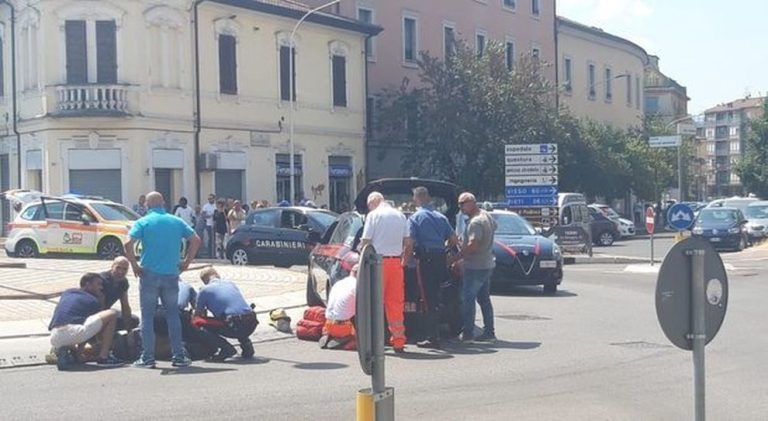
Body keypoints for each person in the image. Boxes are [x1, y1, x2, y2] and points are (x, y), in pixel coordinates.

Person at [124, 191, 202, 369]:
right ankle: (178, 355)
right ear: (164, 203)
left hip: (149, 274)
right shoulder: (176, 221)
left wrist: (135, 266)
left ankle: (148, 357)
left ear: (146, 205)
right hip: (171, 274)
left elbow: (127, 243)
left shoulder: (143, 222)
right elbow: (195, 240)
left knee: (148, 317)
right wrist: (186, 262)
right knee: (172, 315)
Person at [409, 187, 459, 348]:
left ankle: (432, 337)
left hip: (426, 260)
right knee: (439, 295)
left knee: (428, 297)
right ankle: (443, 330)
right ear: (428, 198)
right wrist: (444, 249)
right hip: (441, 260)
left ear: (417, 199)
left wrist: (406, 259)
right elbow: (453, 239)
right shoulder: (441, 217)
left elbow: (409, 242)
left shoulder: (415, 218)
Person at [359, 192, 410, 353]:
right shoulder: (401, 216)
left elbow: (366, 242)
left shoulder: (373, 215)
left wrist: (359, 259)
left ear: (373, 202)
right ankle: (398, 342)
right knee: (395, 303)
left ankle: (375, 342)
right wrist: (404, 260)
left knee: (374, 302)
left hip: (377, 263)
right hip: (396, 263)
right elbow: (408, 242)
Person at [49, 273, 124, 370]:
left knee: (78, 328)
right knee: (112, 314)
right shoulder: (92, 301)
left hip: (54, 336)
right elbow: (93, 327)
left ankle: (66, 350)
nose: (101, 288)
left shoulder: (67, 292)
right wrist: (101, 301)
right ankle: (104, 357)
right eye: (98, 284)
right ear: (87, 284)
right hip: (73, 331)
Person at [450, 192, 497, 343]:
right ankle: (489, 332)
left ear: (471, 202)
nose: (460, 207)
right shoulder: (486, 215)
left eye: (462, 203)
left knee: (467, 299)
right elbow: (494, 228)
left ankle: (468, 334)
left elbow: (473, 245)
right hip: (487, 263)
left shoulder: (476, 222)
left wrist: (455, 258)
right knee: (484, 299)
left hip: (475, 266)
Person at [192, 267, 258, 361]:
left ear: (204, 280)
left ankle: (226, 348)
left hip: (234, 326)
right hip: (251, 322)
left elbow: (197, 315)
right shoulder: (230, 284)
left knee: (197, 323)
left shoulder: (204, 290)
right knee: (236, 314)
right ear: (217, 275)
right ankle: (247, 345)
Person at [321, 263, 358, 350]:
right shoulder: (357, 285)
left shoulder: (339, 283)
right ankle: (347, 339)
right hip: (344, 326)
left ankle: (330, 335)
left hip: (327, 324)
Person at [99, 256, 138, 331]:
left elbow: (125, 305)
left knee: (134, 320)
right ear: (112, 266)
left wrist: (128, 329)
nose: (121, 272)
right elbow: (101, 306)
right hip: (95, 313)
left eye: (124, 269)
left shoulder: (123, 282)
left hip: (107, 310)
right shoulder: (102, 280)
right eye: (118, 268)